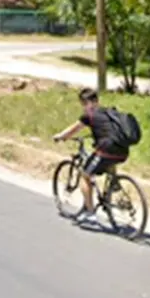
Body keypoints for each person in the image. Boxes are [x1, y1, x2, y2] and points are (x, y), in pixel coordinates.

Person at [52, 87, 129, 215]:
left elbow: (73, 129)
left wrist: (60, 136)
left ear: (85, 103)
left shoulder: (89, 115)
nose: (84, 107)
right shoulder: (109, 112)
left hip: (106, 150)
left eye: (83, 104)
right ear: (97, 100)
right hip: (123, 150)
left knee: (85, 175)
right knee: (108, 161)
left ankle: (90, 212)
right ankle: (114, 184)